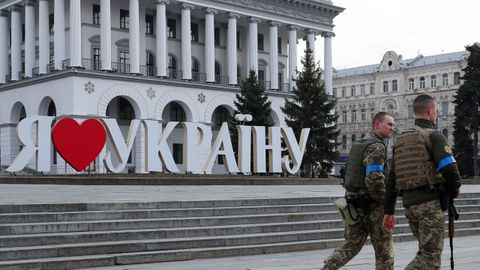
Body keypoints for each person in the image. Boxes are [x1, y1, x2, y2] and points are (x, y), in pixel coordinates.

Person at [383, 94, 461, 269]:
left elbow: (392, 179)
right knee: (430, 259)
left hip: (410, 207)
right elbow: (449, 168)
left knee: (425, 252)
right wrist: (455, 187)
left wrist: (389, 211)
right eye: (436, 111)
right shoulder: (434, 136)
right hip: (429, 204)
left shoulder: (400, 140)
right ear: (430, 110)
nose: (437, 115)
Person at [322, 112, 395, 270]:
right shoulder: (377, 146)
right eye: (389, 124)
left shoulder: (359, 144)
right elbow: (374, 179)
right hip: (373, 207)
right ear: (377, 125)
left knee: (351, 245)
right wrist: (386, 202)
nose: (392, 128)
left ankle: (328, 267)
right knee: (384, 252)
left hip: (354, 204)